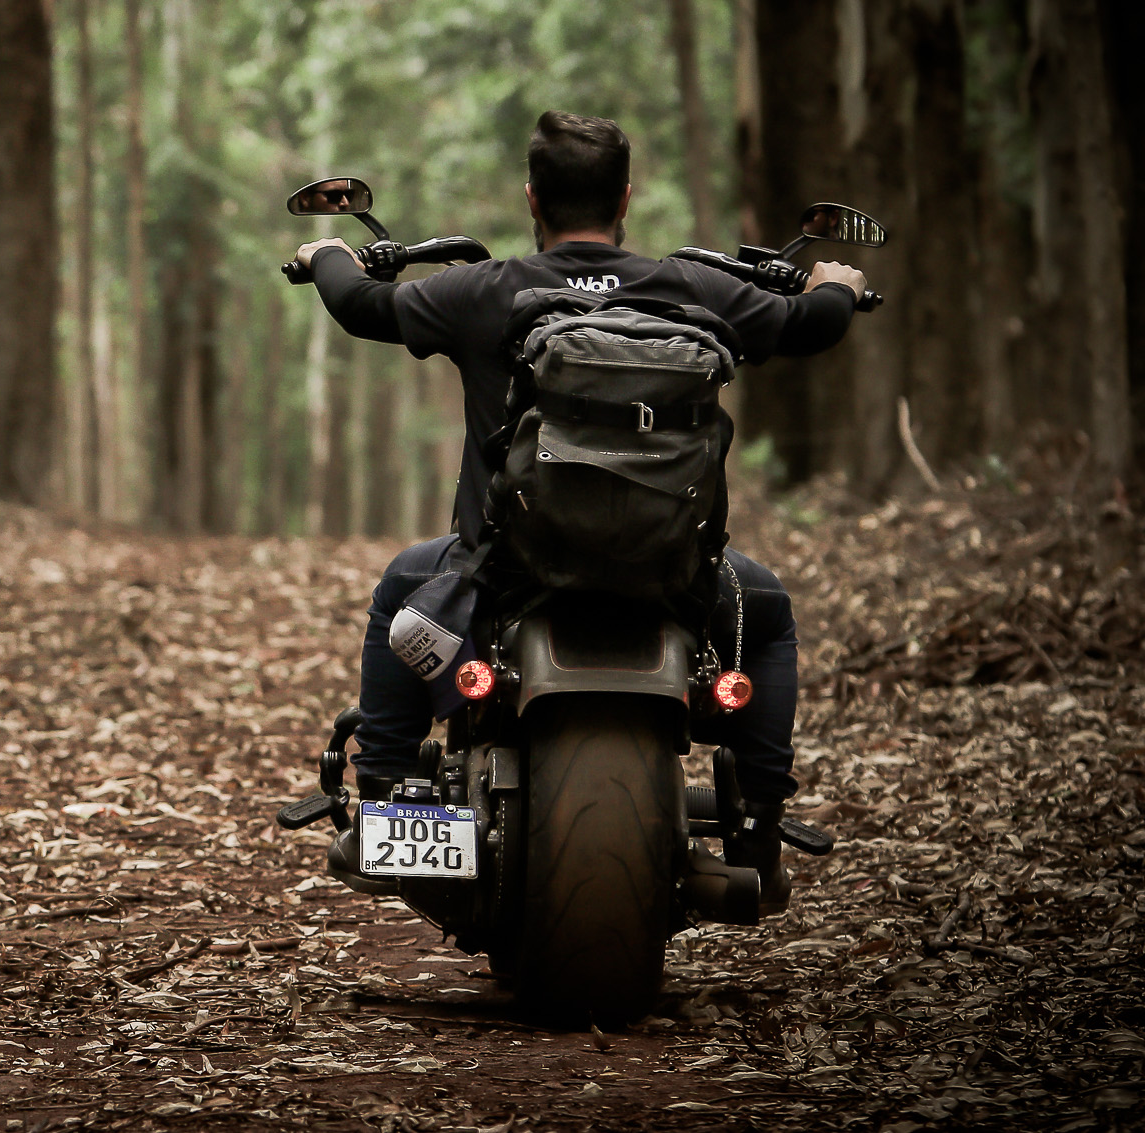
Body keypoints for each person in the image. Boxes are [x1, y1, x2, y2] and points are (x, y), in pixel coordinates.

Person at [293, 111, 867, 909]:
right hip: (674, 573)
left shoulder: (485, 291)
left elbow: (360, 304)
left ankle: (386, 807)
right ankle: (760, 825)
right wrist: (835, 283)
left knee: (400, 586)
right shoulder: (691, 288)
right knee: (765, 613)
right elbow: (812, 324)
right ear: (626, 196)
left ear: (533, 199)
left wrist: (326, 253)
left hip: (506, 570)